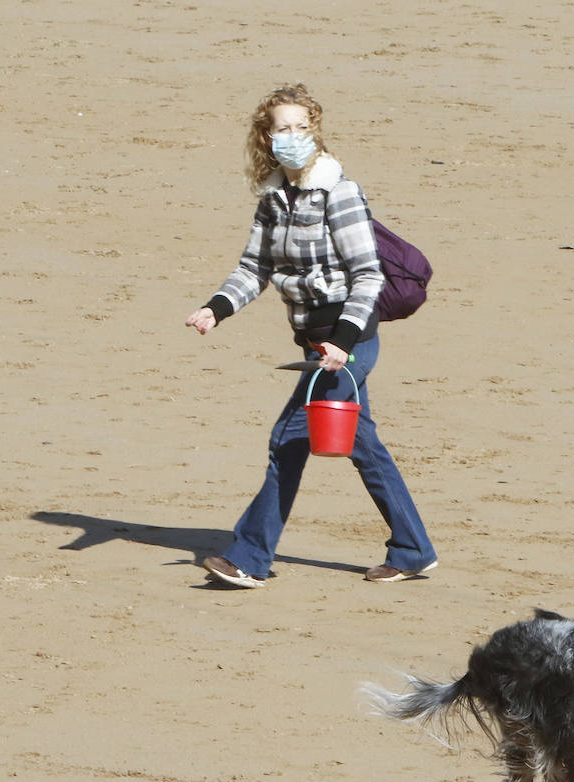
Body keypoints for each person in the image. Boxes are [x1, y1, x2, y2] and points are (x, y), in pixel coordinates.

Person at [184, 84, 437, 589]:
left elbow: (368, 274)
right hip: (314, 344)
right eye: (283, 128)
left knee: (289, 439)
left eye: (303, 127)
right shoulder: (274, 197)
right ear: (266, 136)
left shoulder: (338, 191)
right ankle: (412, 549)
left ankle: (249, 557)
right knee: (361, 444)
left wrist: (343, 342)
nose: (294, 136)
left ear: (315, 132)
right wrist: (216, 308)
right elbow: (254, 267)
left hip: (348, 343)